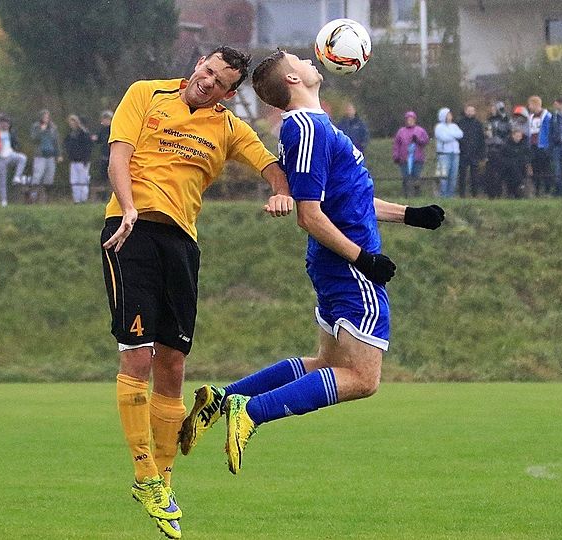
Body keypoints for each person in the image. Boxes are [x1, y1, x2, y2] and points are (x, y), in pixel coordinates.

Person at [178, 48, 445, 487]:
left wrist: (410, 214)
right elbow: (309, 214)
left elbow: (348, 203)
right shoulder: (306, 127)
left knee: (326, 362)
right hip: (347, 266)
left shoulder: (317, 127)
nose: (309, 60)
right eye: (299, 59)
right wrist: (365, 260)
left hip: (338, 262)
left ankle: (224, 399)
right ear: (293, 80)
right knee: (362, 378)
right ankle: (252, 412)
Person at [99, 46, 294, 540]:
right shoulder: (146, 93)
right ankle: (145, 475)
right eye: (204, 71)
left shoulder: (227, 126)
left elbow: (271, 166)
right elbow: (117, 155)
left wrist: (280, 189)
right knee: (137, 356)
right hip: (132, 230)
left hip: (182, 242)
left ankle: (163, 480)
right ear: (197, 66)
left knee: (173, 364)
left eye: (218, 81)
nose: (205, 82)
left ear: (229, 93)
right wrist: (126, 207)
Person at [392, 111, 429, 197]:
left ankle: (417, 195)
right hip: (404, 158)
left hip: (417, 158)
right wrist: (396, 155)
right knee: (406, 177)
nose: (410, 121)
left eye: (411, 119)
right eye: (408, 119)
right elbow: (396, 144)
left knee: (416, 176)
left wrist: (418, 140)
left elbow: (426, 141)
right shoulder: (401, 131)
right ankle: (406, 195)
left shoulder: (420, 130)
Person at [0, 116, 27, 207]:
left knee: (22, 158)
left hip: (10, 155)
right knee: (2, 181)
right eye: (4, 123)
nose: (6, 125)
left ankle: (17, 177)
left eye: (7, 123)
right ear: (0, 124)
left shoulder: (11, 133)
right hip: (0, 158)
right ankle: (3, 201)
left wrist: (15, 146)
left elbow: (15, 142)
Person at [30, 109, 61, 202]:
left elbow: (56, 141)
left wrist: (59, 154)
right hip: (40, 155)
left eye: (47, 116)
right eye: (44, 117)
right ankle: (33, 197)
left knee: (49, 177)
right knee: (37, 176)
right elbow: (33, 139)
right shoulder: (36, 127)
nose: (46, 118)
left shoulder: (53, 127)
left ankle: (46, 198)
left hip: (50, 155)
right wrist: (41, 131)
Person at [484, 101, 512, 198]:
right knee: (490, 173)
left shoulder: (506, 121)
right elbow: (486, 135)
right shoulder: (489, 121)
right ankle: (491, 194)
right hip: (491, 149)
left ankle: (499, 193)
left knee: (500, 173)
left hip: (501, 149)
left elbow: (508, 134)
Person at [64, 114, 94, 203]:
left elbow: (88, 148)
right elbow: (67, 145)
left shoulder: (84, 134)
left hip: (83, 161)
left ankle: (83, 199)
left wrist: (86, 159)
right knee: (74, 181)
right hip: (73, 161)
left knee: (83, 180)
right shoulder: (70, 135)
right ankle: (76, 199)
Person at [434, 107, 463, 198]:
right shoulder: (439, 127)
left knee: (453, 176)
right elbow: (443, 138)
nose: (450, 116)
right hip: (443, 154)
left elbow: (460, 134)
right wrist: (453, 136)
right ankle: (443, 195)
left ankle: (451, 195)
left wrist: (450, 134)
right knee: (443, 176)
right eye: (448, 115)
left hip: (455, 154)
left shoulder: (454, 126)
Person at [457, 105, 485, 198]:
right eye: (468, 110)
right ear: (465, 111)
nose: (470, 112)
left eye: (472, 111)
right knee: (462, 175)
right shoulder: (460, 123)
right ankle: (462, 194)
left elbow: (482, 139)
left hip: (475, 153)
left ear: (474, 112)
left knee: (474, 176)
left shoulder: (478, 124)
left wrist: (482, 154)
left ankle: (475, 194)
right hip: (463, 153)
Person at [526, 96, 552, 196]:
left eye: (530, 105)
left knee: (545, 169)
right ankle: (536, 190)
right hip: (533, 146)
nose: (529, 107)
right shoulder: (531, 117)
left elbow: (549, 131)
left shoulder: (547, 116)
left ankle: (547, 190)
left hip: (543, 146)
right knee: (535, 169)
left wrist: (548, 145)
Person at [500, 127, 532, 199]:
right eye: (517, 136)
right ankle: (518, 187)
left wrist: (527, 163)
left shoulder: (524, 145)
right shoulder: (506, 145)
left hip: (521, 167)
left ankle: (518, 190)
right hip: (508, 168)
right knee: (513, 168)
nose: (518, 138)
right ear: (513, 136)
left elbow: (528, 155)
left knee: (517, 169)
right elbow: (502, 157)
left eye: (520, 136)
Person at [92, 110, 113, 196]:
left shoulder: (114, 129)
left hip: (112, 155)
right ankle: (104, 195)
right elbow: (99, 140)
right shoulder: (101, 130)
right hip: (104, 155)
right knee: (103, 177)